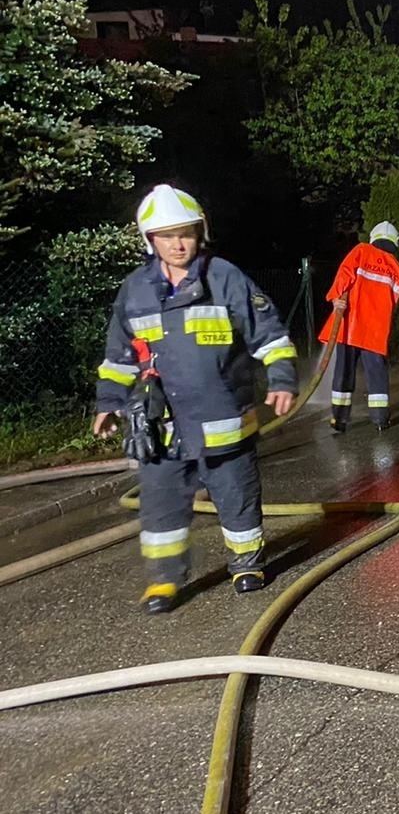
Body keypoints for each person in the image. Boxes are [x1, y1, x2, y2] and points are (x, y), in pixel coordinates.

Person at [92, 185, 298, 614]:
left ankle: (246, 565)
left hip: (222, 416)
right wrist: (109, 401)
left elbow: (269, 335)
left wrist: (281, 379)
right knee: (161, 503)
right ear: (150, 240)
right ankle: (165, 582)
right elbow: (119, 356)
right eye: (166, 236)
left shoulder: (223, 277)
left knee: (236, 492)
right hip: (160, 426)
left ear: (199, 231)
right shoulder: (135, 291)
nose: (178, 243)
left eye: (184, 233)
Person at [320, 221, 399, 433]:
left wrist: (334, 297)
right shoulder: (397, 269)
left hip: (350, 324)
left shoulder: (361, 250)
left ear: (374, 238)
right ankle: (380, 420)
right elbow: (393, 300)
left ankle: (339, 420)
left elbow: (345, 272)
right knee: (377, 373)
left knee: (344, 371)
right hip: (375, 331)